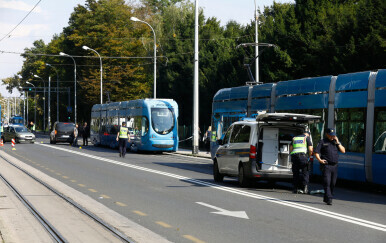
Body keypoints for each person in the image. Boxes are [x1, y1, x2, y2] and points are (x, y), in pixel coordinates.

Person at [314, 128, 346, 205]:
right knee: (327, 183)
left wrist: (338, 142)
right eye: (331, 135)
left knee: (333, 183)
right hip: (326, 166)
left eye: (333, 135)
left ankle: (327, 197)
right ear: (327, 134)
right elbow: (316, 152)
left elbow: (343, 151)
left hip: (334, 166)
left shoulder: (336, 142)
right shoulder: (322, 142)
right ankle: (329, 198)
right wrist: (320, 160)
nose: (332, 137)